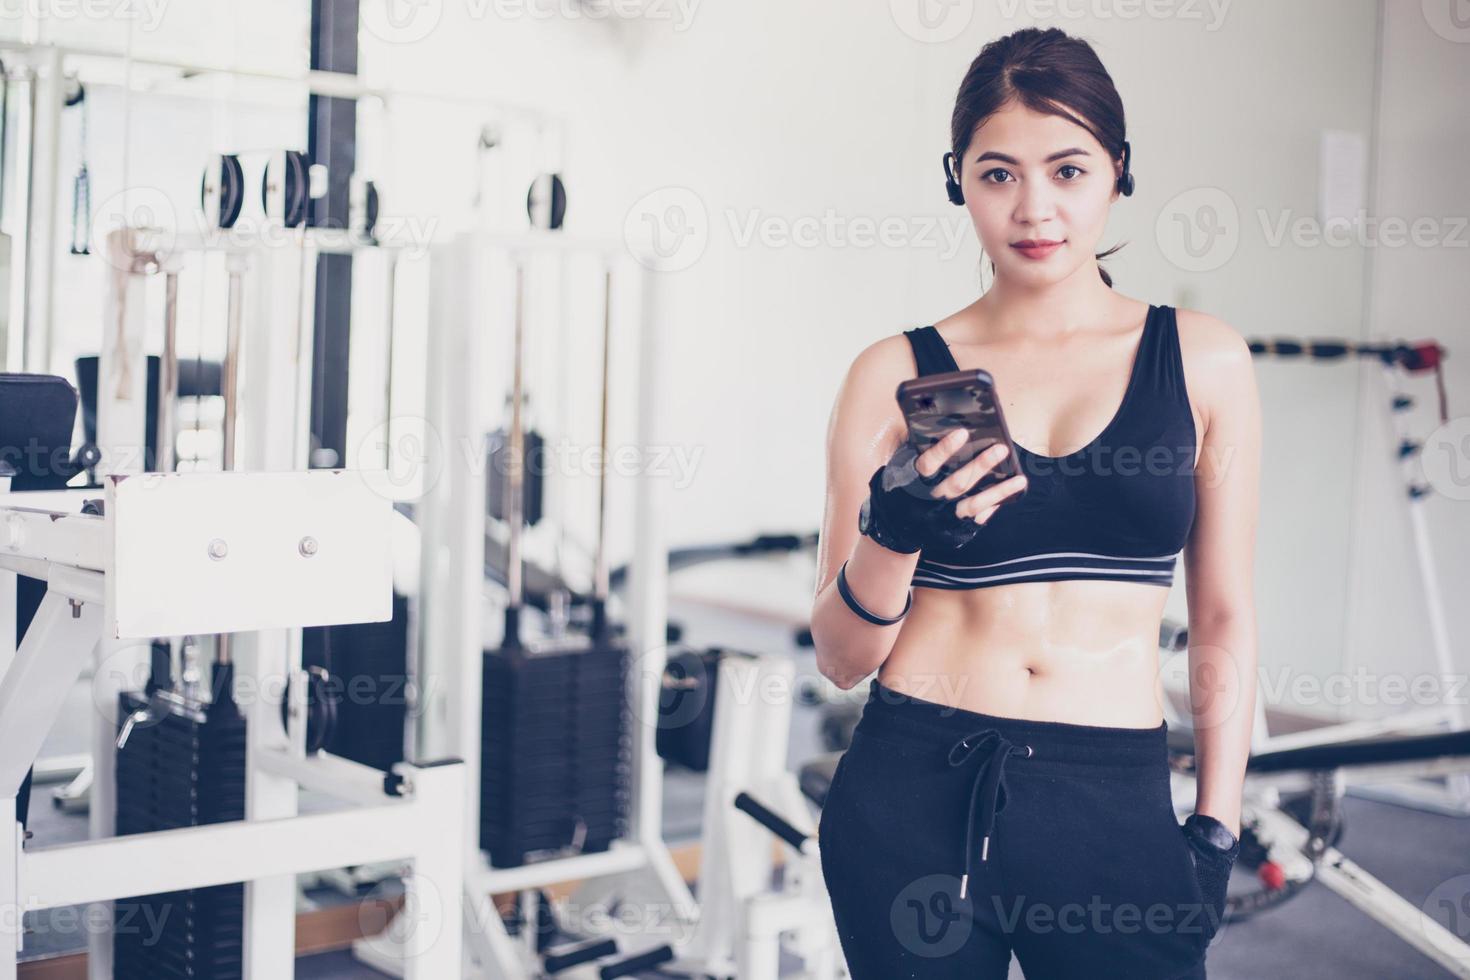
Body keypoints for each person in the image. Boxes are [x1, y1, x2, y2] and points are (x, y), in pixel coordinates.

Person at [809, 26, 1260, 980]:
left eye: (1067, 169)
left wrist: (1218, 827)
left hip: (1111, 805)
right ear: (957, 181)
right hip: (910, 801)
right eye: (998, 174)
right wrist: (889, 536)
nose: (1035, 207)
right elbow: (842, 658)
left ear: (1118, 172)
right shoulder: (891, 375)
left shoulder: (1205, 359)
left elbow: (1222, 614)